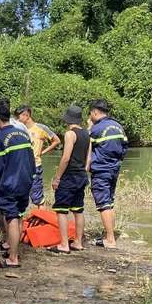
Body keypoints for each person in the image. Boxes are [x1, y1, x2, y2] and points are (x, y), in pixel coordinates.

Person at [0, 102, 34, 269]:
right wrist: (32, 177)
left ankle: (13, 258)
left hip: (9, 184)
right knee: (18, 216)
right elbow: (31, 159)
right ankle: (14, 251)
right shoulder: (23, 134)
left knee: (11, 218)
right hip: (25, 182)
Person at [49, 105, 91, 254]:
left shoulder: (70, 134)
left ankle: (64, 244)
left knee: (61, 210)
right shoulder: (87, 134)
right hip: (81, 176)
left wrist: (57, 178)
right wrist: (83, 171)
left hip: (69, 176)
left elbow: (66, 157)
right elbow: (88, 158)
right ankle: (78, 242)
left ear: (67, 119)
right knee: (78, 210)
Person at [88, 99, 128, 248]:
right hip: (114, 168)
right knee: (109, 202)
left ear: (94, 112)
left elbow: (86, 147)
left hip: (101, 170)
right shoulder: (118, 126)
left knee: (103, 204)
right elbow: (124, 147)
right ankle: (109, 235)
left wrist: (89, 128)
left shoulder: (96, 129)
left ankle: (110, 239)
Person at [15, 104, 61, 208]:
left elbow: (56, 141)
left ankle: (42, 215)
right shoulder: (19, 129)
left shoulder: (41, 128)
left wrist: (42, 152)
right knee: (19, 196)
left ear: (27, 116)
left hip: (35, 166)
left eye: (18, 117)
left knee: (38, 198)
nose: (17, 120)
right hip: (20, 167)